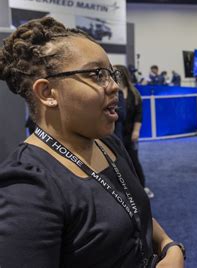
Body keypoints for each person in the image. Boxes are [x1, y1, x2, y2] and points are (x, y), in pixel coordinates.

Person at [0, 17, 185, 267]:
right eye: (96, 74)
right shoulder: (26, 189)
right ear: (47, 93)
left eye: (111, 74)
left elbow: (133, 209)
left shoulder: (107, 144)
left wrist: (168, 245)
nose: (113, 86)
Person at [114, 64, 155, 199]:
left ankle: (142, 186)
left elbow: (139, 115)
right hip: (116, 134)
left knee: (134, 161)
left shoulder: (134, 94)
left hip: (131, 133)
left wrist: (136, 132)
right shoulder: (112, 92)